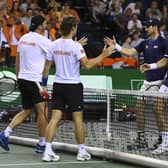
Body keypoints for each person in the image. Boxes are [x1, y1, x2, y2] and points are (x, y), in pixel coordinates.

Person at [41, 16, 114, 162]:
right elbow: (87, 65)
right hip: (73, 87)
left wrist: (43, 84)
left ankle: (47, 151)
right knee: (78, 119)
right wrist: (104, 55)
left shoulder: (54, 44)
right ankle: (81, 151)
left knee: (54, 118)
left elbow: (47, 67)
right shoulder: (76, 47)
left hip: (58, 85)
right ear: (73, 28)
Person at [104, 18, 168, 154]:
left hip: (159, 82)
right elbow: (131, 52)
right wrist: (116, 46)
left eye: (148, 26)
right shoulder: (144, 43)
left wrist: (152, 67)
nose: (146, 29)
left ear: (155, 27)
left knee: (158, 110)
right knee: (139, 108)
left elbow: (165, 61)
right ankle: (141, 139)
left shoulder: (164, 42)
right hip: (147, 82)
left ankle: (163, 138)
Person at [0, 15, 53, 153]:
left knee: (27, 110)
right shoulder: (44, 41)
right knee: (43, 111)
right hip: (35, 80)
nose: (46, 25)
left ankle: (5, 134)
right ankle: (42, 143)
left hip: (23, 78)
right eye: (45, 23)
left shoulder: (23, 38)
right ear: (40, 26)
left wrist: (18, 77)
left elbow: (18, 59)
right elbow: (57, 53)